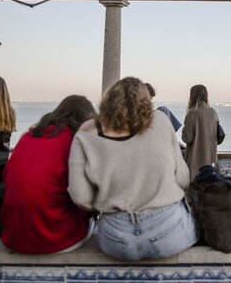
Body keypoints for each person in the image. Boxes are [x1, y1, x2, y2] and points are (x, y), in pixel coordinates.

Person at [68, 77, 198, 261]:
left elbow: (80, 197)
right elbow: (183, 179)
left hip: (115, 237)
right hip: (168, 233)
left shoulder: (87, 131)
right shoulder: (161, 120)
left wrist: (107, 200)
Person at [1, 95, 97, 254]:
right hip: (54, 238)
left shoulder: (27, 137)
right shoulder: (75, 143)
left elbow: (7, 178)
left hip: (13, 236)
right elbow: (84, 197)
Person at [182, 84, 221, 179]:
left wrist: (184, 129)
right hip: (211, 161)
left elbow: (188, 138)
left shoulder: (191, 114)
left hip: (195, 163)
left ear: (192, 96)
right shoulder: (213, 112)